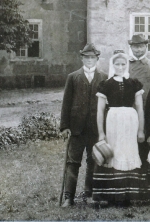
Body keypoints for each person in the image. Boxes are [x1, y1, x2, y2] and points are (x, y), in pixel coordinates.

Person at [92, 50, 146, 205]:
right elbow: (100, 110)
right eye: (117, 64)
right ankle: (113, 196)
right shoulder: (106, 85)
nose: (120, 67)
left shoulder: (134, 83)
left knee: (128, 151)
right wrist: (101, 133)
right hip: (113, 121)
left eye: (123, 64)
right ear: (112, 65)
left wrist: (141, 130)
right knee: (115, 153)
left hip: (130, 121)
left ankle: (129, 195)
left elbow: (140, 108)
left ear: (126, 65)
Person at [59, 43, 108, 207]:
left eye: (92, 57)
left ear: (97, 59)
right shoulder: (73, 77)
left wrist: (105, 128)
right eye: (86, 57)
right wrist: (65, 126)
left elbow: (107, 105)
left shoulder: (104, 77)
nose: (89, 60)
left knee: (93, 161)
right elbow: (66, 103)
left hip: (95, 127)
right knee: (73, 162)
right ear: (82, 58)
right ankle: (69, 197)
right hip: (76, 128)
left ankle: (89, 193)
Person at [127, 33, 150, 164]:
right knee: (132, 142)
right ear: (131, 48)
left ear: (146, 47)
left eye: (141, 46)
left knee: (148, 143)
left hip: (148, 111)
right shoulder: (126, 65)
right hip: (131, 110)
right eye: (135, 47)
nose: (138, 50)